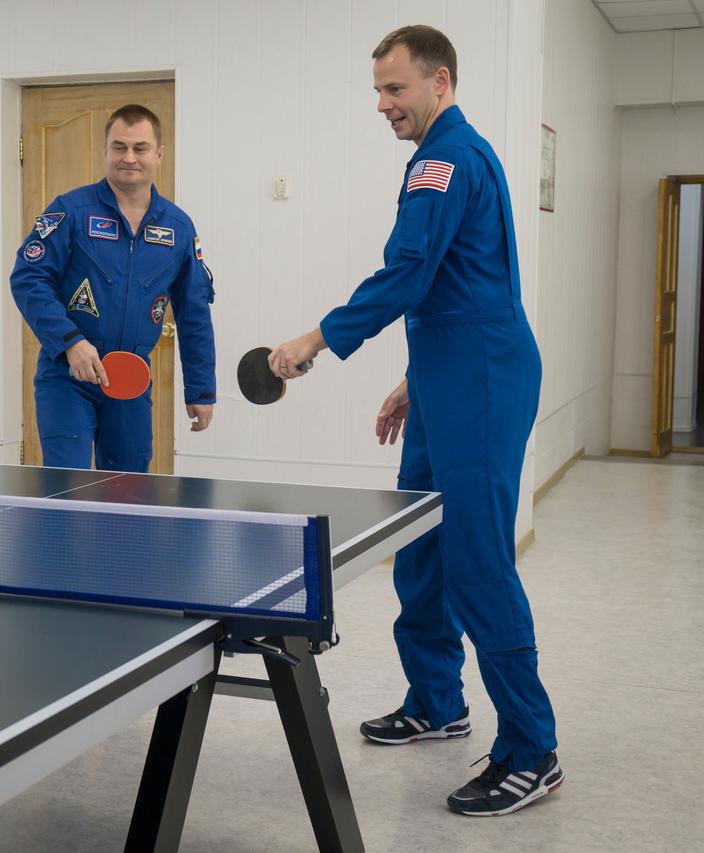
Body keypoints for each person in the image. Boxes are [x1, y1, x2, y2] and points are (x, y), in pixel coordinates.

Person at [268, 25, 562, 817]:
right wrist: (412, 375)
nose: (383, 105)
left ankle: (532, 748)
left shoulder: (444, 160)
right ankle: (438, 700)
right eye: (378, 91)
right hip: (444, 373)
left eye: (395, 89)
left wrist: (315, 341)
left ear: (440, 82)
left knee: (476, 560)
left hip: (483, 379)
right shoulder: (448, 157)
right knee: (423, 545)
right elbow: (459, 278)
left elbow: (407, 272)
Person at [10, 104, 216, 472]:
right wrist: (71, 342)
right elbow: (28, 277)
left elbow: (194, 311)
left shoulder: (179, 228)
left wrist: (200, 389)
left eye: (140, 148)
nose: (129, 158)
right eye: (119, 147)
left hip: (131, 383)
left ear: (159, 154)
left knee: (128, 495)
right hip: (68, 377)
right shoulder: (71, 211)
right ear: (105, 151)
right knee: (66, 491)